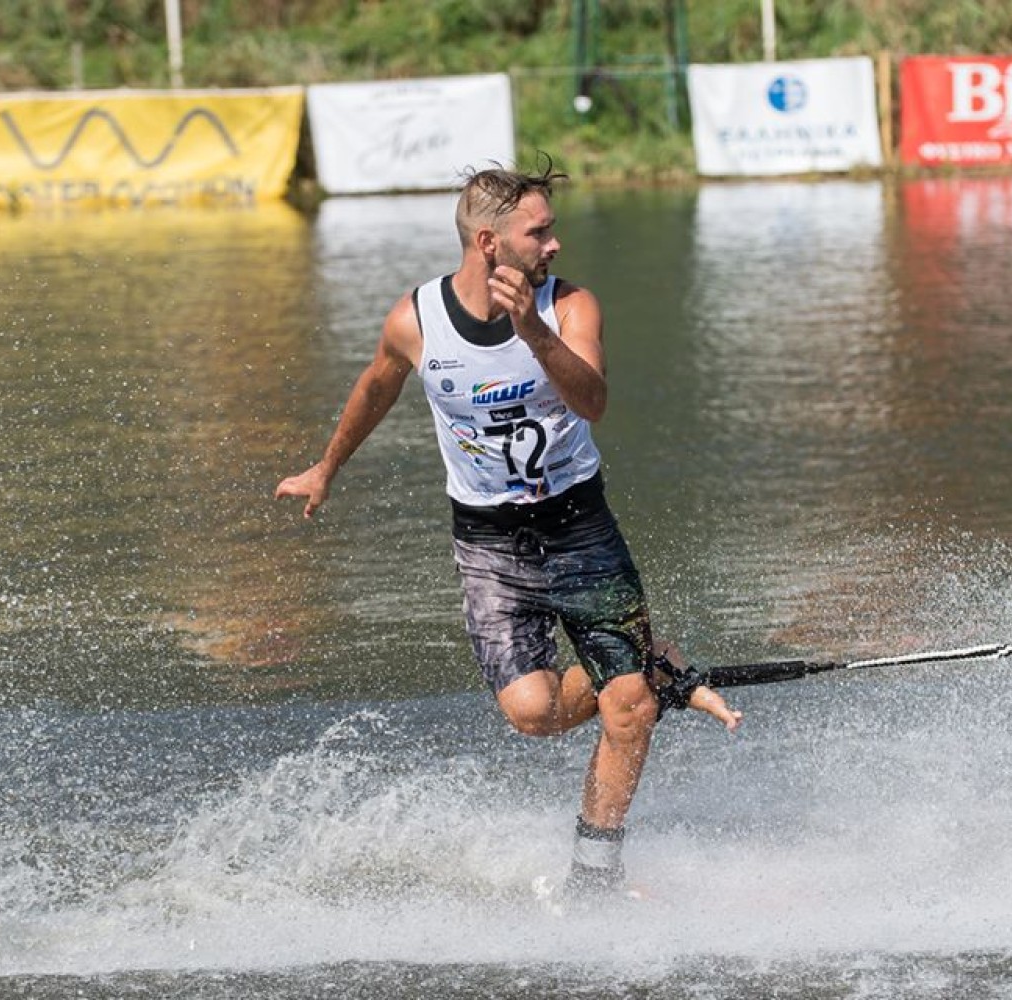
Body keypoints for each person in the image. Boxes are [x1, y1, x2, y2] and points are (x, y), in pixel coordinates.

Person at [275, 159, 742, 898]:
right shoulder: (416, 320)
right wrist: (326, 468)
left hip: (579, 525)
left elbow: (591, 402)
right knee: (532, 713)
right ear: (489, 242)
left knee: (629, 709)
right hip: (489, 541)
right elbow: (375, 387)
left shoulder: (570, 307)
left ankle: (596, 876)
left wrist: (533, 333)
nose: (554, 244)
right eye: (540, 232)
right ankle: (650, 659)